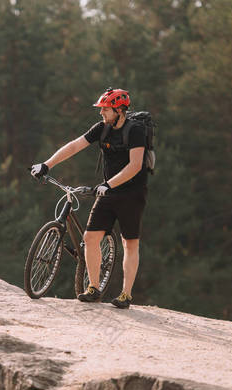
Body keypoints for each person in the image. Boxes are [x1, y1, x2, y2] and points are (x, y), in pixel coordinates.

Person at [30, 88, 148, 309]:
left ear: (119, 110)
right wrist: (47, 164)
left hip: (132, 194)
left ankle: (126, 295)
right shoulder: (101, 129)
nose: (101, 112)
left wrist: (108, 184)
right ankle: (94, 288)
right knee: (91, 238)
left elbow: (135, 166)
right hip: (108, 192)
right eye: (101, 108)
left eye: (105, 109)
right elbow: (75, 145)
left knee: (129, 243)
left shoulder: (136, 131)